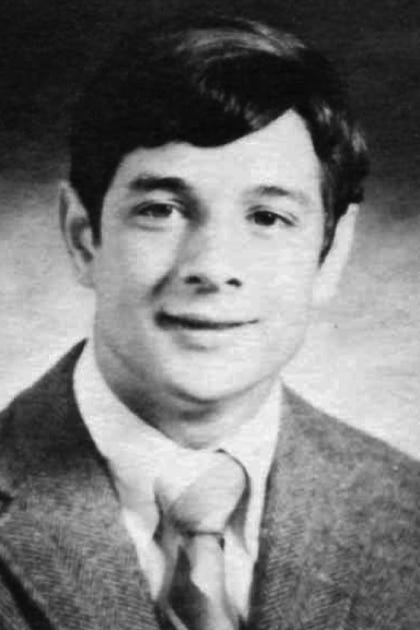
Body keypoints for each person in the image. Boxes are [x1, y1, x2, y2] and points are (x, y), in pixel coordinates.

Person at [0, 13, 419, 630]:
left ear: (330, 255)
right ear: (83, 236)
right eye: (161, 209)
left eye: (268, 217)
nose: (214, 268)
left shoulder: (408, 516)